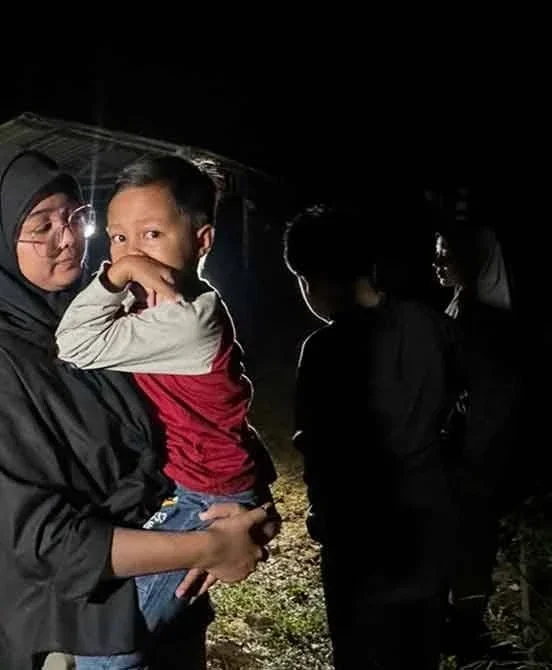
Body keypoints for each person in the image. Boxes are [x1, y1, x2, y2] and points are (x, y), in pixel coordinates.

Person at [0, 145, 277, 670]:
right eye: (41, 225)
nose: (69, 237)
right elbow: (48, 542)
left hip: (161, 573)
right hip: (75, 619)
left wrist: (248, 510)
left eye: (76, 216)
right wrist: (207, 547)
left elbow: (200, 414)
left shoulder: (115, 318)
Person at [54, 155, 278, 668]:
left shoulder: (182, 320)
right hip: (204, 486)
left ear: (202, 241)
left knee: (108, 651)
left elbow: (75, 344)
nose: (133, 252)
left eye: (151, 234)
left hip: (204, 497)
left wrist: (117, 275)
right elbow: (227, 414)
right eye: (117, 238)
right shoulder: (178, 307)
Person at [284, 205, 461, 669]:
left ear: (313, 281)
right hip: (428, 526)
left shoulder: (323, 350)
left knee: (362, 653)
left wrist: (323, 518)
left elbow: (318, 449)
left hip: (359, 541)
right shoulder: (431, 323)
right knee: (419, 650)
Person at [434, 226, 524, 664]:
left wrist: (471, 458)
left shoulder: (485, 321)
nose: (438, 261)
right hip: (461, 449)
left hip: (476, 453)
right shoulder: (461, 307)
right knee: (461, 540)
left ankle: (465, 632)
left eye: (446, 252)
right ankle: (456, 627)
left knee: (472, 539)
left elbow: (490, 398)